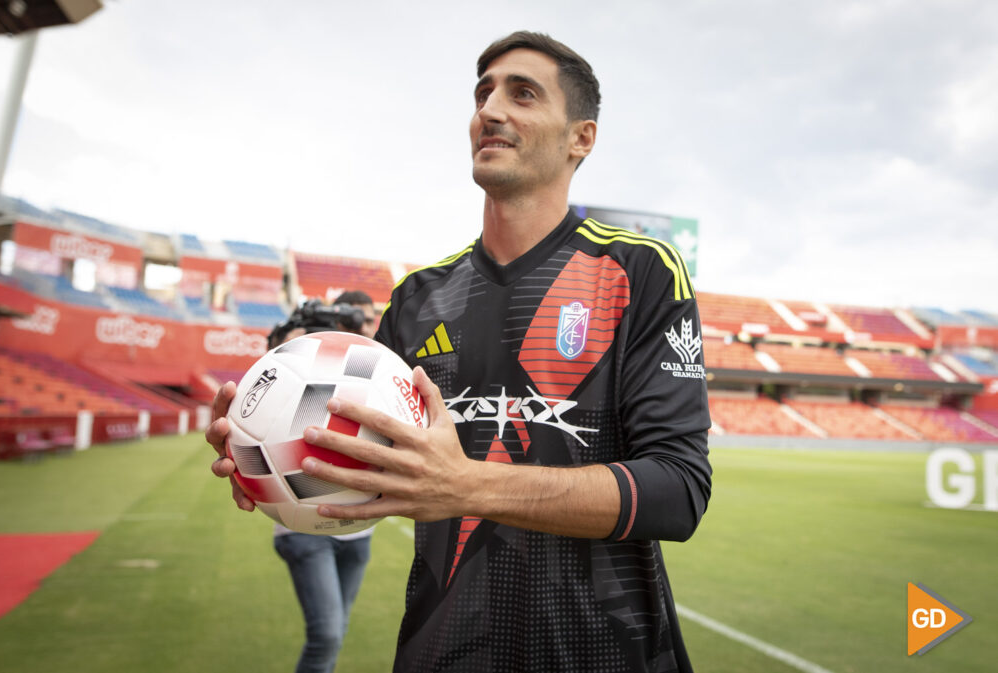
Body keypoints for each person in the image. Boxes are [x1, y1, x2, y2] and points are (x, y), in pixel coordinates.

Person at [209, 31, 711, 673]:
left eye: (522, 93)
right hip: (441, 652)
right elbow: (357, 467)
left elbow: (679, 491)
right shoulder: (417, 299)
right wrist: (264, 447)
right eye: (483, 94)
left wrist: (466, 484)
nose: (490, 110)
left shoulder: (638, 270)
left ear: (580, 137)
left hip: (607, 654)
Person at [267, 291, 379, 673]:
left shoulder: (372, 366)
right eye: (356, 321)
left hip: (358, 528)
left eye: (367, 320)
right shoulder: (306, 357)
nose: (362, 328)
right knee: (327, 634)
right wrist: (294, 341)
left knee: (337, 629)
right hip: (304, 525)